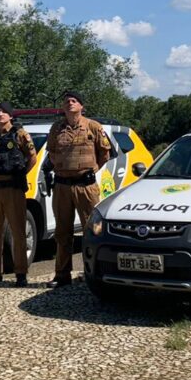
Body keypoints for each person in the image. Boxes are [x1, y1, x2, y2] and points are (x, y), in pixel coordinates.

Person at [45, 90, 111, 288]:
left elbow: (104, 153)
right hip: (62, 186)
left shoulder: (93, 126)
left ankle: (93, 273)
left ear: (82, 106)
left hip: (85, 186)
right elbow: (51, 153)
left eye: (74, 101)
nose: (70, 103)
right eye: (66, 101)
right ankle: (62, 275)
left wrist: (91, 171)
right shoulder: (57, 128)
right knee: (62, 233)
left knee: (91, 231)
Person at [0, 102, 37, 287]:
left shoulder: (20, 134)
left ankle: (20, 273)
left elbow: (32, 158)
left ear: (10, 116)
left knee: (18, 232)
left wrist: (20, 175)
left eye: (3, 112)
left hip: (13, 189)